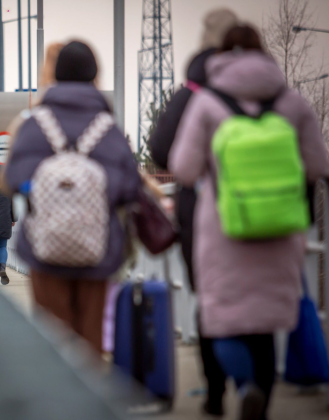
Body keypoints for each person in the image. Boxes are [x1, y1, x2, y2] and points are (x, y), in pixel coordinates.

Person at [169, 24, 328, 420]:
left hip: (224, 228)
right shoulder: (290, 102)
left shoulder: (207, 103)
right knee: (265, 323)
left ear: (221, 56)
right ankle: (261, 395)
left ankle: (244, 385)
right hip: (280, 227)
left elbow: (183, 168)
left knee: (220, 316)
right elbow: (318, 164)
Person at [5, 40, 141, 353]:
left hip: (45, 249)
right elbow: (130, 186)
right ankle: (92, 398)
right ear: (95, 75)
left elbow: (14, 178)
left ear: (55, 75)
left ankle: (58, 398)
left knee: (53, 341)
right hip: (99, 250)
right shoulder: (108, 128)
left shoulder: (34, 125)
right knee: (90, 340)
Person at [148, 8, 238, 416]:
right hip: (273, 210)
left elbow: (162, 149)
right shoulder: (270, 89)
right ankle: (258, 382)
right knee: (266, 296)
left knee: (208, 297)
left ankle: (217, 390)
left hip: (205, 211)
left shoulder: (194, 93)